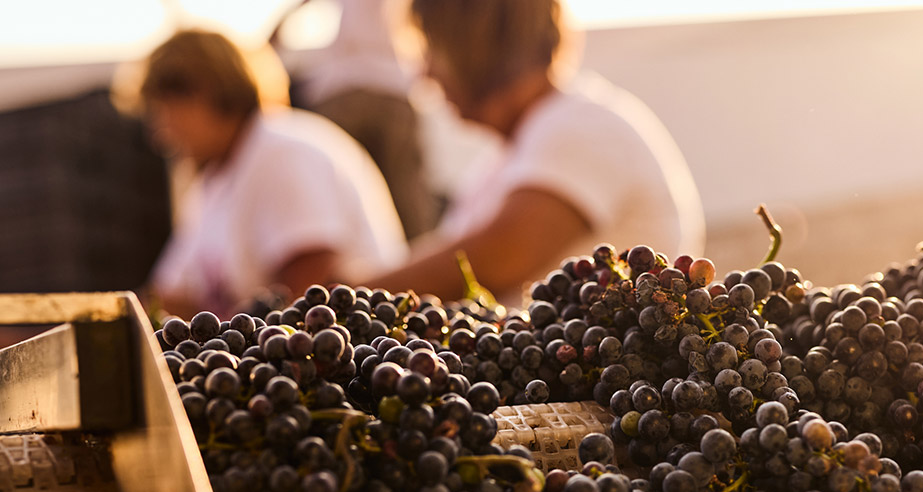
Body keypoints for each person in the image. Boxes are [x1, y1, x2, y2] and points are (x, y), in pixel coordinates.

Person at [366, 0, 704, 309]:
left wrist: (346, 296)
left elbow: (490, 260)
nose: (424, 73)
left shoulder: (580, 127)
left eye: (430, 46)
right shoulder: (517, 151)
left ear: (476, 44)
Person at [130, 29, 407, 320]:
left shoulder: (282, 151)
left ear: (206, 94)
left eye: (165, 111)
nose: (160, 133)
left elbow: (309, 289)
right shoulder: (213, 183)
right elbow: (171, 297)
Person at [284, 0, 437, 239]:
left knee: (331, 188)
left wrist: (274, 34)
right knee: (407, 198)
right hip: (392, 84)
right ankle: (424, 263)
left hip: (345, 87)